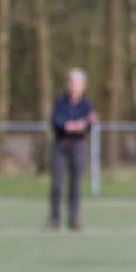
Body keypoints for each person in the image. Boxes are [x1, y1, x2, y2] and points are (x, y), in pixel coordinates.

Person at [46, 68, 96, 231]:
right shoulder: (60, 102)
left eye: (77, 84)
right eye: (72, 83)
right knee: (57, 184)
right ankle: (54, 217)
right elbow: (59, 123)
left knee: (75, 184)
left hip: (78, 146)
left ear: (83, 86)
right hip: (61, 146)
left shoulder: (86, 104)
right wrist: (75, 126)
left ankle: (74, 217)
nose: (74, 87)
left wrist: (82, 125)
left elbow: (89, 123)